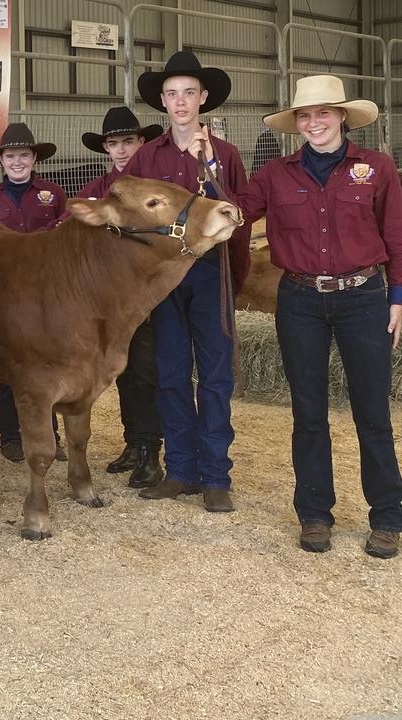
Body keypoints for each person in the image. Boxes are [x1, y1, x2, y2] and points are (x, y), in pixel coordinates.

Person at [233, 75, 402, 558]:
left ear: (343, 117)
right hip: (300, 300)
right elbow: (237, 211)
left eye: (323, 113)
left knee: (372, 412)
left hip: (363, 296)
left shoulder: (377, 168)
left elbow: (396, 234)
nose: (314, 123)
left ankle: (388, 515)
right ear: (296, 124)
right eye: (305, 116)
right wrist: (206, 168)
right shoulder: (275, 174)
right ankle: (314, 514)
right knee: (308, 413)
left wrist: (398, 297)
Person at [124, 50, 252, 513]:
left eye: (189, 93)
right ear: (162, 100)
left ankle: (216, 474)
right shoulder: (146, 157)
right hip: (164, 276)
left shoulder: (227, 154)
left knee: (215, 376)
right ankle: (181, 469)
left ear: (203, 99)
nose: (180, 102)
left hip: (209, 272)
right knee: (171, 372)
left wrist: (211, 167)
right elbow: (132, 217)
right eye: (172, 94)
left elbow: (239, 214)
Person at [78, 107, 166, 488]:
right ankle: (133, 443)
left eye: (128, 141)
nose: (121, 150)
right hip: (110, 303)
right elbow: (70, 226)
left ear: (141, 143)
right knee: (124, 374)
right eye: (113, 144)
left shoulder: (154, 193)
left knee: (146, 373)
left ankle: (150, 450)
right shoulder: (98, 190)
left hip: (145, 298)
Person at [0, 123, 68, 463]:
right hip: (6, 295)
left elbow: (66, 240)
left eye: (24, 155)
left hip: (46, 292)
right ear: (1, 160)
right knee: (9, 366)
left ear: (34, 158)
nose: (17, 162)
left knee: (48, 364)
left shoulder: (54, 195)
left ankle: (50, 435)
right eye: (11, 155)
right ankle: (10, 435)